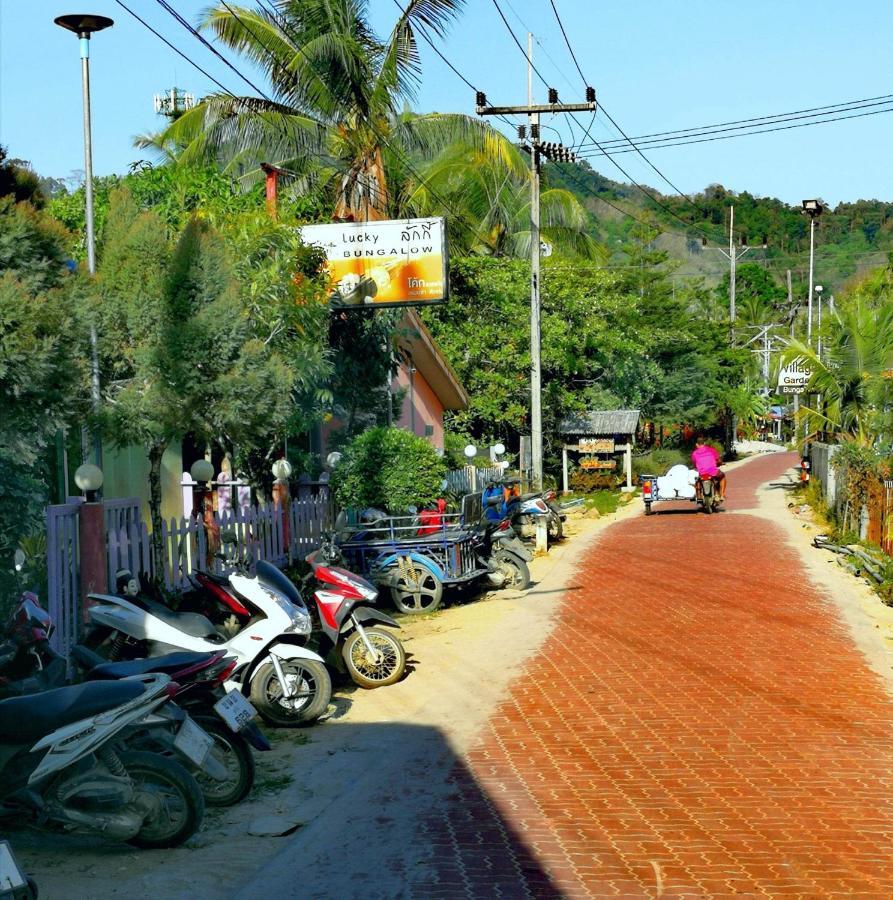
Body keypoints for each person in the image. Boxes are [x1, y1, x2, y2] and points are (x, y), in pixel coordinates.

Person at [691, 435, 726, 503]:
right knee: (722, 476)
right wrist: (720, 463)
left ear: (696, 444)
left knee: (697, 480)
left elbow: (695, 464)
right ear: (704, 444)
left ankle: (699, 496)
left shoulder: (694, 453)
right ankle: (721, 495)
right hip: (713, 472)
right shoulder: (711, 450)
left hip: (702, 473)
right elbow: (718, 460)